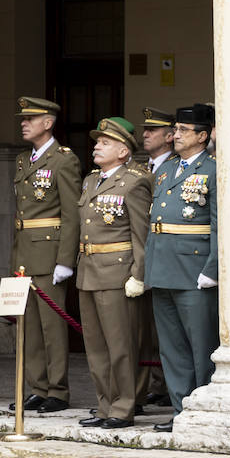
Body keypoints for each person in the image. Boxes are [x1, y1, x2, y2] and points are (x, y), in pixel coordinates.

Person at [144, 104, 219, 431]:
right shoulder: (166, 169)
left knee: (201, 346)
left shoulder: (212, 169)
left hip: (193, 269)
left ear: (202, 136)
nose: (175, 135)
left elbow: (219, 224)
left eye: (183, 130)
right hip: (163, 267)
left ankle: (204, 411)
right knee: (172, 347)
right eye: (175, 129)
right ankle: (181, 410)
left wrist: (212, 268)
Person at [76, 117, 152, 429]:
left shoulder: (134, 182)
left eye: (105, 143)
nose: (97, 146)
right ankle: (105, 405)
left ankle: (123, 407)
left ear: (123, 151)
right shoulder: (90, 180)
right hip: (89, 270)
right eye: (97, 142)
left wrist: (138, 275)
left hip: (117, 273)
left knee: (120, 347)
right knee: (96, 347)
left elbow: (141, 235)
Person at [10, 96, 81, 414]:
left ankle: (57, 390)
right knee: (28, 326)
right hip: (25, 252)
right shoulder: (23, 160)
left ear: (48, 123)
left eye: (30, 119)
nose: (24, 123)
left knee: (52, 326)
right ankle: (37, 387)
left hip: (50, 253)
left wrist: (65, 260)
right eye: (23, 119)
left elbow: (71, 214)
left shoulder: (63, 160)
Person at [134, 107, 175, 409]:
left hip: (166, 252)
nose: (145, 134)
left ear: (170, 136)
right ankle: (154, 383)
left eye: (153, 130)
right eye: (145, 129)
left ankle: (165, 384)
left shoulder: (174, 167)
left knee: (166, 328)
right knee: (146, 325)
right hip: (142, 250)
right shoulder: (140, 169)